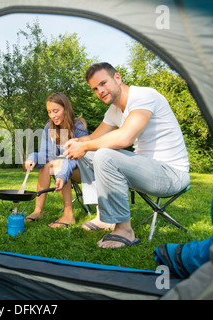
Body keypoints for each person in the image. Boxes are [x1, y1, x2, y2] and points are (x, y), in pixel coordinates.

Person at [63, 62, 190, 248]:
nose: (100, 91)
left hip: (171, 174)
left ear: (117, 77)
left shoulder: (144, 96)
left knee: (104, 154)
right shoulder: (114, 111)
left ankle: (125, 231)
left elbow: (125, 138)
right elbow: (92, 138)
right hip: (145, 170)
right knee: (87, 154)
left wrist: (87, 145)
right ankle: (104, 218)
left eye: (103, 83)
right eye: (95, 89)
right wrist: (74, 144)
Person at [24, 92, 88, 228]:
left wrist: (61, 167)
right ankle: (38, 211)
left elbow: (78, 157)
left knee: (59, 163)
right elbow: (46, 154)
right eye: (49, 112)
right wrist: (32, 158)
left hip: (83, 170)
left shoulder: (78, 126)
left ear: (66, 108)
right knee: (47, 165)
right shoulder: (50, 127)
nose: (52, 116)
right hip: (62, 169)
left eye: (56, 111)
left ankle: (69, 215)